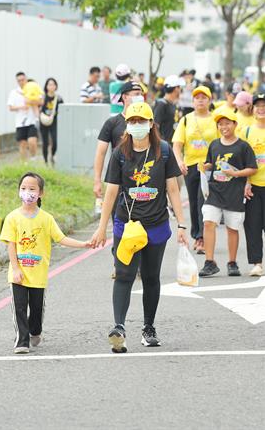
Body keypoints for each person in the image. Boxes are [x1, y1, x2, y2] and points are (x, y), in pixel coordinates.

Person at [91, 102, 188, 353]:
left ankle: (148, 327)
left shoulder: (163, 152)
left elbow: (173, 189)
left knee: (151, 277)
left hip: (156, 225)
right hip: (127, 225)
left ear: (151, 124)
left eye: (141, 121)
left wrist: (182, 224)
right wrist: (102, 228)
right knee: (124, 274)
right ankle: (119, 328)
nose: (136, 125)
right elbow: (111, 192)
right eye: (132, 121)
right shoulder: (120, 154)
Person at [0, 172, 92, 354]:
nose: (28, 192)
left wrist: (84, 244)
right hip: (18, 273)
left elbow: (61, 238)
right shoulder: (12, 218)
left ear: (41, 193)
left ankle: (35, 331)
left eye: (32, 189)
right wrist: (16, 269)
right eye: (24, 188)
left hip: (38, 275)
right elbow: (11, 245)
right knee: (19, 307)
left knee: (35, 310)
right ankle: (22, 341)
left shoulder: (46, 219)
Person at [199, 109, 257, 277]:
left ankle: (232, 262)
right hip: (215, 191)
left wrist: (236, 174)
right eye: (220, 124)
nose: (223, 126)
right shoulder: (215, 144)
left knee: (232, 228)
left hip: (234, 192)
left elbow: (253, 168)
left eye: (227, 123)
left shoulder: (243, 146)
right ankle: (209, 262)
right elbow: (211, 163)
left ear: (235, 124)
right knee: (209, 222)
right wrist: (205, 166)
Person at [173, 85, 218, 254]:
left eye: (204, 97)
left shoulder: (215, 120)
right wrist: (179, 162)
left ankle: (202, 238)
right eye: (197, 97)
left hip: (209, 167)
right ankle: (197, 235)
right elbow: (177, 145)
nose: (200, 100)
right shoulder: (186, 120)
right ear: (193, 101)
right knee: (194, 202)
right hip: (190, 166)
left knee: (204, 201)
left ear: (209, 100)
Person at [93, 81, 144, 200]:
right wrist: (97, 181)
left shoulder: (147, 123)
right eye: (136, 94)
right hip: (117, 179)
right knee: (118, 216)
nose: (140, 97)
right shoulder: (112, 123)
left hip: (142, 178)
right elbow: (100, 153)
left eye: (141, 94)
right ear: (125, 97)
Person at [243, 94, 265, 277]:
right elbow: (242, 160)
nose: (261, 108)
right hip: (253, 186)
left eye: (264, 105)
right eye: (258, 105)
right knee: (253, 226)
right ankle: (257, 263)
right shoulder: (247, 132)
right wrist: (246, 182)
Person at [8, 71, 43, 161]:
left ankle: (33, 158)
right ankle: (24, 163)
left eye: (23, 80)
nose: (21, 82)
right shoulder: (14, 92)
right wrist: (22, 107)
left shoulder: (33, 89)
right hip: (20, 121)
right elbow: (10, 107)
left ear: (26, 79)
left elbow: (41, 101)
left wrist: (30, 102)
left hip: (32, 120)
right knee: (22, 143)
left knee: (32, 141)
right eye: (19, 80)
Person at [39, 78, 64, 166]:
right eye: (49, 84)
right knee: (45, 142)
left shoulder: (59, 98)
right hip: (43, 121)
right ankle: (45, 161)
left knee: (55, 141)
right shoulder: (42, 97)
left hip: (54, 121)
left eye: (53, 84)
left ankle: (52, 156)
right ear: (46, 86)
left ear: (56, 86)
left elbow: (62, 110)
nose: (51, 86)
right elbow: (38, 108)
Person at [154, 75, 184, 143]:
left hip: (172, 143)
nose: (180, 90)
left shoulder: (173, 104)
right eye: (179, 87)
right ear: (176, 88)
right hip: (163, 144)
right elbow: (155, 125)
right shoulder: (161, 104)